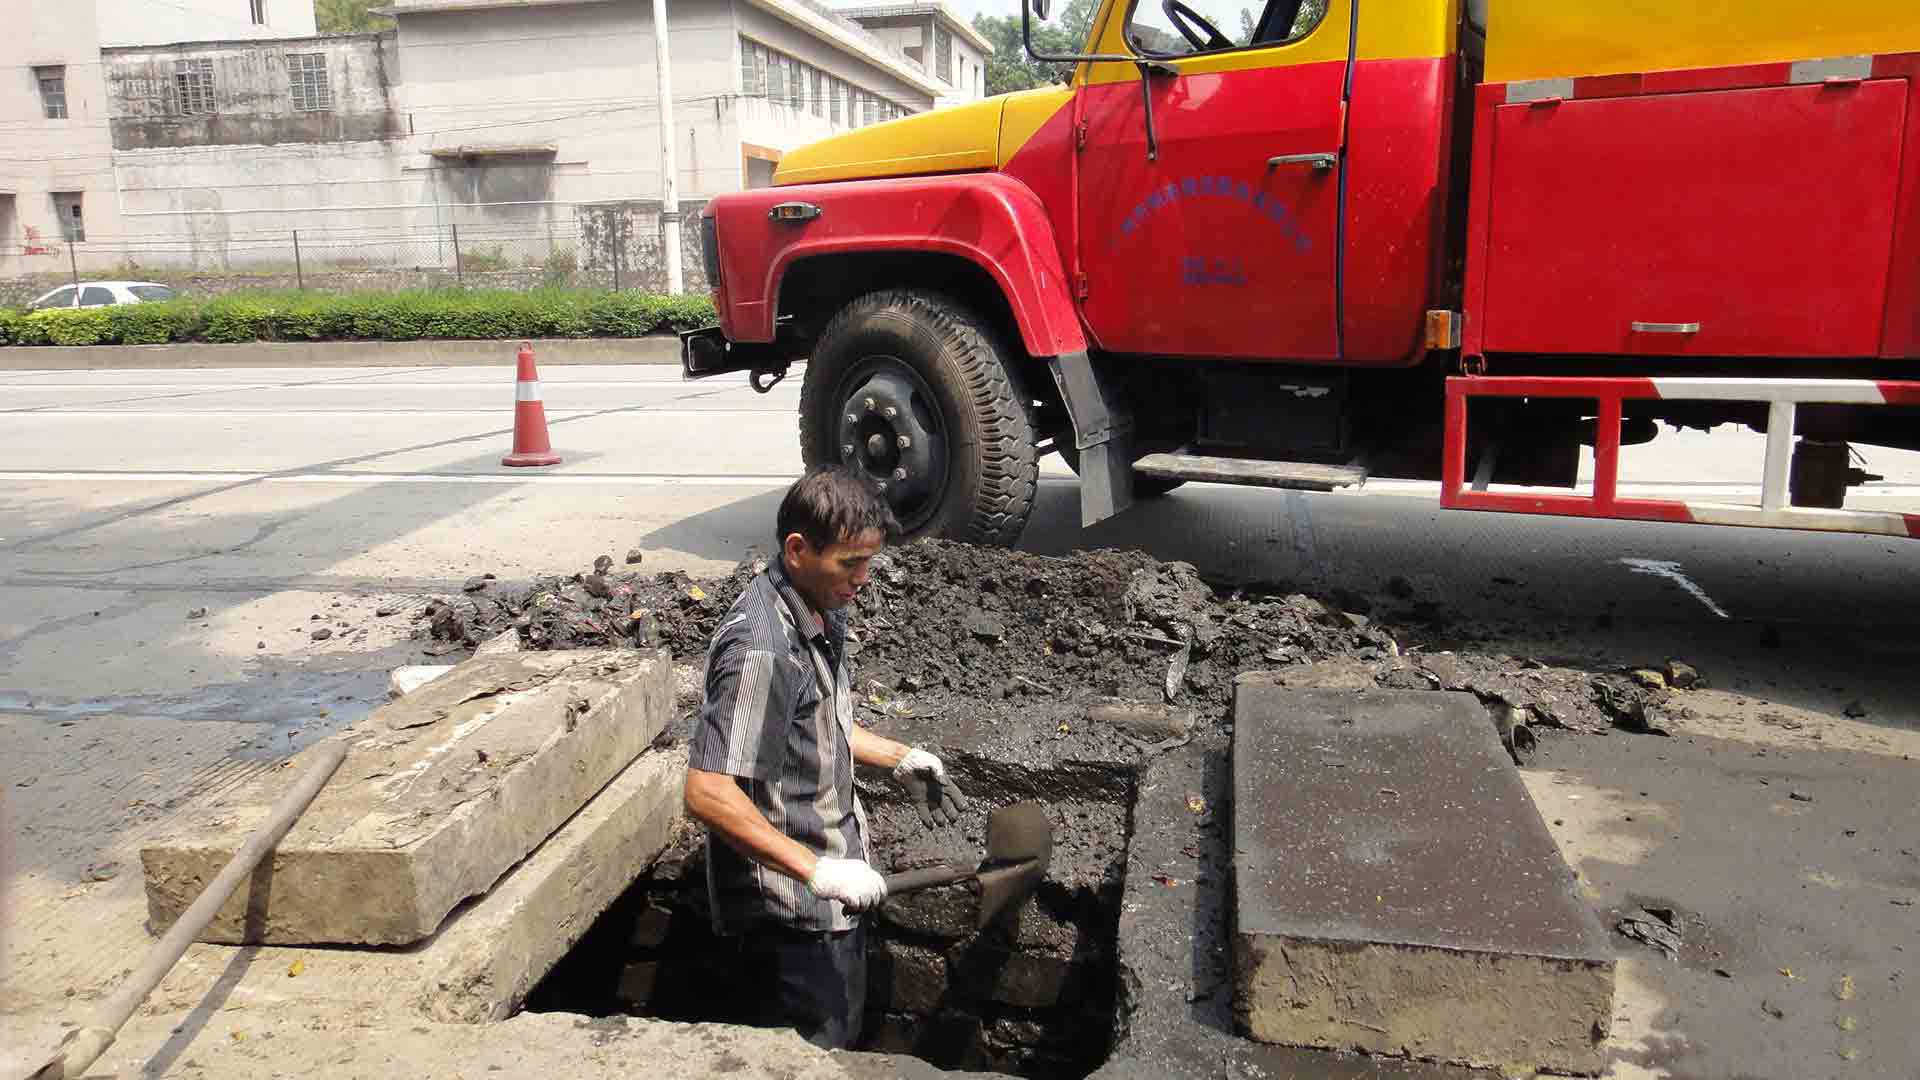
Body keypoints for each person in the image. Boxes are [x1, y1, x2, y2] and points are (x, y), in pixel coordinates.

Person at [684, 467, 968, 1049]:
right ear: (797, 550)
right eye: (849, 563)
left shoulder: (819, 605)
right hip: (788, 921)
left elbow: (813, 722)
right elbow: (707, 790)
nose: (863, 579)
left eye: (870, 561)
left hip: (830, 902)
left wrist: (898, 756)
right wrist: (818, 870)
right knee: (810, 1057)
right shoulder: (764, 649)